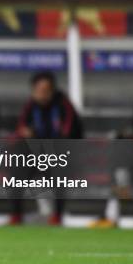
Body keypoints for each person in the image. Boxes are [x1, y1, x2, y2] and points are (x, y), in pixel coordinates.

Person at [13, 71, 83, 226]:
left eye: (46, 90)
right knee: (16, 162)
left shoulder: (64, 106)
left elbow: (67, 136)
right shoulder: (30, 107)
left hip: (61, 155)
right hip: (36, 156)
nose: (42, 94)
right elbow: (20, 130)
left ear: (52, 90)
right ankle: (16, 216)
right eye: (39, 90)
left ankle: (57, 216)